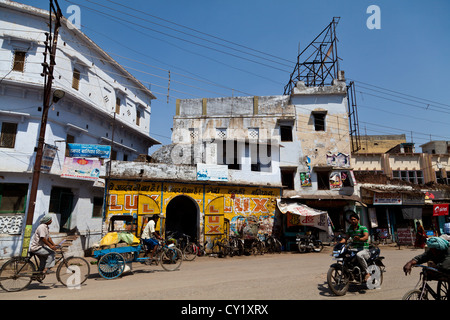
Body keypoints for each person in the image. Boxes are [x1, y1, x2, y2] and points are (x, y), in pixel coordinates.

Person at [341, 213, 371, 281]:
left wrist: (360, 239)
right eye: (351, 220)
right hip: (354, 248)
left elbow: (366, 237)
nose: (353, 221)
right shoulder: (350, 229)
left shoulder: (363, 228)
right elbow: (345, 238)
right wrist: (339, 243)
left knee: (359, 255)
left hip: (364, 248)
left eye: (354, 219)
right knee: (345, 255)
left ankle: (367, 273)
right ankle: (350, 272)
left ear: (357, 220)